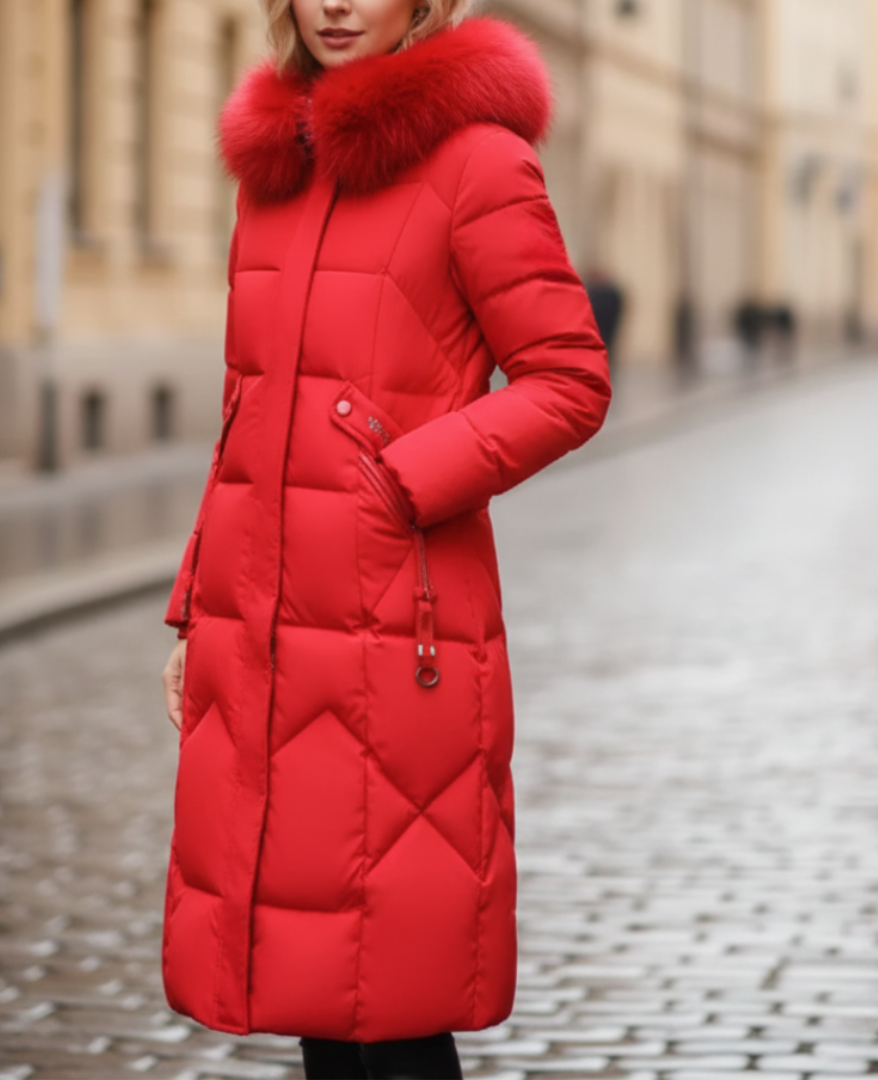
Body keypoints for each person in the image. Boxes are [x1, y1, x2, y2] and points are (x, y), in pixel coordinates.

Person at [159, 0, 612, 1072]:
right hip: (265, 633)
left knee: (397, 1001)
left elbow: (570, 379)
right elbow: (243, 414)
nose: (338, 4)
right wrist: (192, 608)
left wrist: (404, 476)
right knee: (318, 990)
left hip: (398, 635)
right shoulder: (277, 168)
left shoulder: (477, 161)